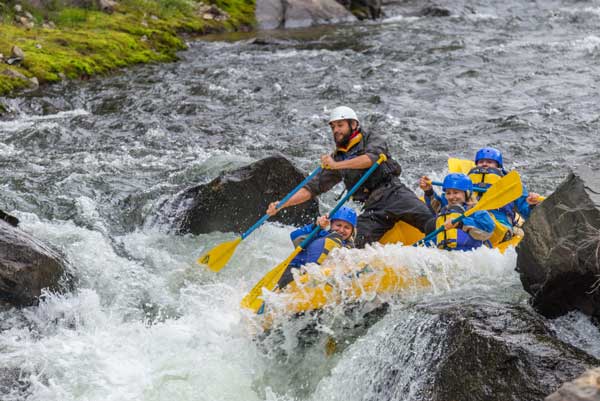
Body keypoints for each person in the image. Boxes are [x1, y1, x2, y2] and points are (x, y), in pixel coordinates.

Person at [267, 106, 435, 248]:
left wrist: (336, 165)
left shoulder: (370, 138)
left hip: (396, 195)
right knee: (350, 244)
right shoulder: (338, 157)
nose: (336, 130)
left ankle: (451, 244)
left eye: (340, 125)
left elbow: (371, 159)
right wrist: (282, 205)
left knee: (432, 224)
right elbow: (312, 188)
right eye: (333, 127)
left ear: (353, 124)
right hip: (374, 208)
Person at [466, 147, 541, 243]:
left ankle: (503, 234)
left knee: (491, 225)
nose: (484, 164)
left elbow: (526, 211)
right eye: (481, 162)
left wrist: (532, 204)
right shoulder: (467, 180)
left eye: (489, 162)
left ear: (498, 165)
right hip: (473, 217)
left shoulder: (510, 183)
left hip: (500, 221)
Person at [276, 206, 357, 289]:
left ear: (352, 231)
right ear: (331, 224)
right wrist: (315, 226)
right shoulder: (319, 234)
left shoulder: (349, 249)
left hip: (320, 281)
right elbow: (295, 237)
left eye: (347, 227)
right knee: (333, 241)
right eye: (338, 225)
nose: (341, 230)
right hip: (295, 272)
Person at [419, 173, 495, 251]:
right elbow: (435, 205)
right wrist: (428, 191)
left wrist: (461, 223)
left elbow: (488, 231)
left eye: (456, 192)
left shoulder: (476, 210)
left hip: (470, 254)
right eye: (448, 193)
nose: (451, 197)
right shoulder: (445, 209)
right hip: (446, 253)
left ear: (467, 193)